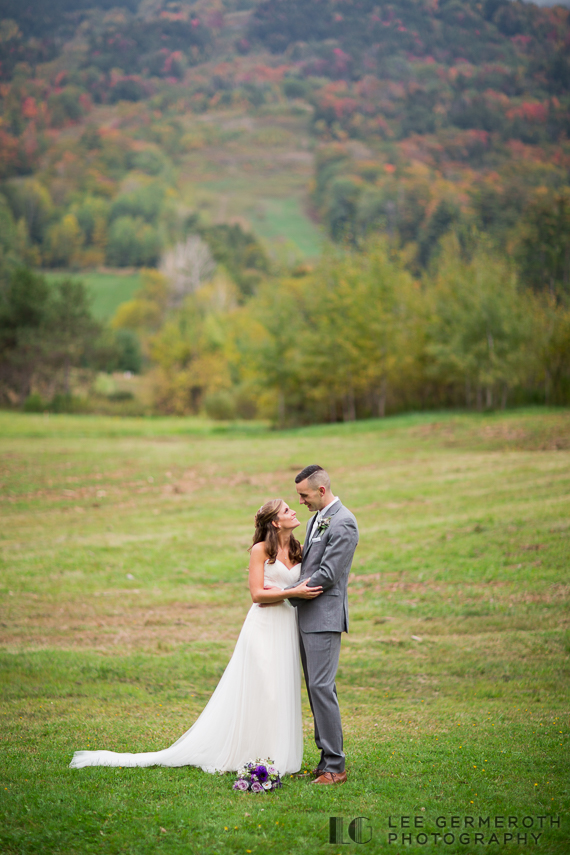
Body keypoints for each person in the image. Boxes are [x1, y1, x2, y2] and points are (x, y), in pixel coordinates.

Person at [69, 499, 322, 776]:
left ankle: (278, 757)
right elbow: (257, 594)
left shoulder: (298, 549)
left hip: (287, 626)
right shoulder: (261, 550)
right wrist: (291, 593)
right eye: (287, 510)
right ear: (275, 522)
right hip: (263, 627)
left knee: (282, 689)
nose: (294, 511)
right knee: (266, 691)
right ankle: (253, 754)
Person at [289, 465, 359, 785]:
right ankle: (324, 760)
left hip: (324, 617)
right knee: (315, 690)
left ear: (320, 491)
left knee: (322, 688)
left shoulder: (344, 522)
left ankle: (336, 766)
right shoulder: (318, 517)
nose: (300, 501)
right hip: (309, 617)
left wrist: (291, 594)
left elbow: (329, 574)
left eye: (304, 495)